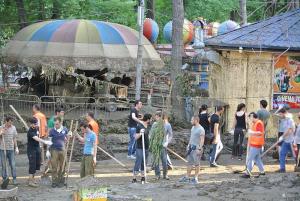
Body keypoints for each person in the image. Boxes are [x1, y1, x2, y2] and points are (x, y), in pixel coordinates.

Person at [27, 117, 52, 187]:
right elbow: (36, 138)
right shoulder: (30, 131)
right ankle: (30, 181)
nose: (34, 125)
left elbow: (39, 136)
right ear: (30, 124)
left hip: (37, 148)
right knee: (32, 165)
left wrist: (41, 146)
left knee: (36, 165)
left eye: (35, 124)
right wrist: (44, 141)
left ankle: (32, 179)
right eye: (33, 124)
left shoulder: (36, 129)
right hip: (31, 150)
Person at [179, 116, 205, 184]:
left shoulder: (201, 129)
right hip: (191, 148)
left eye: (192, 120)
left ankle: (195, 178)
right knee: (189, 163)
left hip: (196, 148)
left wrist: (199, 148)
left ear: (196, 120)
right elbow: (191, 137)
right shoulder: (193, 128)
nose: (191, 121)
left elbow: (202, 140)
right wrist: (188, 145)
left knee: (197, 164)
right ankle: (187, 177)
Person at [241, 112, 265, 178]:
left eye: (250, 118)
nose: (250, 119)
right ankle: (262, 171)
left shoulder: (259, 123)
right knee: (257, 159)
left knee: (250, 158)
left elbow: (260, 133)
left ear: (253, 117)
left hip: (256, 144)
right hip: (255, 144)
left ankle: (248, 173)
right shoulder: (255, 123)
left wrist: (252, 132)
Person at [48, 117, 69, 188]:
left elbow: (67, 138)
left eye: (57, 124)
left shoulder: (65, 129)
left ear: (60, 123)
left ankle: (61, 181)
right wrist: (48, 150)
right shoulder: (51, 131)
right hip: (54, 150)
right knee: (54, 166)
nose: (55, 126)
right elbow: (49, 141)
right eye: (54, 124)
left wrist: (69, 136)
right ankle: (54, 181)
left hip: (63, 149)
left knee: (63, 165)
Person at [132, 113, 152, 184]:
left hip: (146, 147)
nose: (151, 120)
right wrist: (140, 133)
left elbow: (149, 135)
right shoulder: (139, 126)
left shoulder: (149, 126)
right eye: (150, 119)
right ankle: (134, 178)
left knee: (144, 162)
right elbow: (135, 137)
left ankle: (143, 177)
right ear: (148, 119)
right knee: (138, 161)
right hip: (140, 147)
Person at [153, 113, 173, 180]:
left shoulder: (167, 125)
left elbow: (170, 135)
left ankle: (165, 175)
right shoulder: (155, 124)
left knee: (164, 161)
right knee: (156, 161)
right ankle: (157, 174)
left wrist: (167, 142)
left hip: (163, 146)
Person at [0, 116, 19, 185]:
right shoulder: (1, 127)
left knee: (13, 165)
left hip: (11, 149)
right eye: (9, 122)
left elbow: (14, 138)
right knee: (4, 165)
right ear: (6, 122)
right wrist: (1, 133)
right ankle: (4, 179)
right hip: (3, 149)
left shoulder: (13, 128)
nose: (11, 123)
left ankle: (14, 179)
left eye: (12, 122)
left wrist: (16, 147)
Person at [277, 108, 295, 173]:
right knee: (282, 153)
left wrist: (282, 137)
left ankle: (298, 166)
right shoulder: (284, 120)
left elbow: (289, 130)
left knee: (295, 155)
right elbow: (284, 130)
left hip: (291, 141)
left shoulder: (290, 120)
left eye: (280, 114)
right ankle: (282, 169)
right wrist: (282, 137)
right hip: (286, 141)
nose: (280, 115)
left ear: (284, 113)